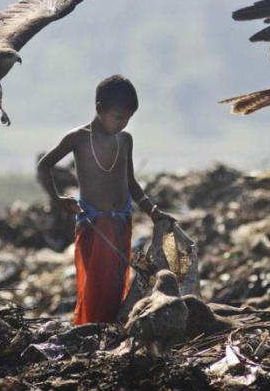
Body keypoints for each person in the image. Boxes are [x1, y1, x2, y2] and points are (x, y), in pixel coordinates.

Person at [37, 74, 174, 325]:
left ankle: (111, 329)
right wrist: (57, 198)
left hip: (122, 220)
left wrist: (152, 210)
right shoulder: (78, 138)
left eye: (128, 118)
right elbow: (44, 166)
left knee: (116, 282)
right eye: (118, 117)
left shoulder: (125, 140)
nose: (123, 124)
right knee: (96, 285)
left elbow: (130, 181)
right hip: (93, 221)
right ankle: (92, 330)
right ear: (99, 109)